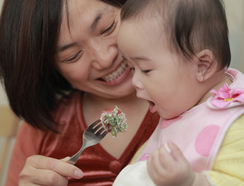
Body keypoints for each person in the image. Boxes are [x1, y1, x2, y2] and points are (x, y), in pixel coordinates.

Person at [0, 0, 160, 185]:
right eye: (72, 56)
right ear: (50, 68)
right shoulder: (42, 129)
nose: (105, 59)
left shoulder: (194, 95)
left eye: (107, 28)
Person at [114, 0, 244, 185]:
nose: (135, 81)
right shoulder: (183, 106)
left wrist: (191, 182)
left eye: (145, 70)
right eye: (131, 68)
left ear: (202, 66)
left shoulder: (234, 128)